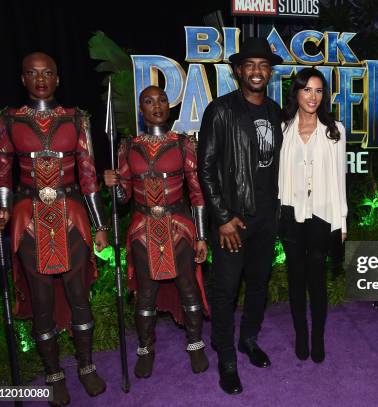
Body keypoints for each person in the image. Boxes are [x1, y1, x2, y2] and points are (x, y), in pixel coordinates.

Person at [0, 52, 108, 406]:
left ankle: (86, 366)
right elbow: (3, 173)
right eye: (32, 73)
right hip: (28, 218)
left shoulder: (76, 119)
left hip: (72, 216)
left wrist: (99, 225)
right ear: (23, 79)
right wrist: (3, 212)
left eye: (48, 73)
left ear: (58, 78)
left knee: (78, 296)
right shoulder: (8, 120)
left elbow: (87, 175)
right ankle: (53, 374)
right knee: (41, 302)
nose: (41, 79)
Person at [103, 86, 209, 378]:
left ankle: (196, 344)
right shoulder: (128, 147)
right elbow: (123, 198)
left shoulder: (183, 145)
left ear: (169, 105)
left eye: (162, 100)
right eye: (149, 102)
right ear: (141, 109)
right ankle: (146, 349)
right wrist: (113, 184)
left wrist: (201, 235)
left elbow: (197, 193)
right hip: (142, 228)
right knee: (146, 293)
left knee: (188, 286)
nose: (157, 106)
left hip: (179, 226)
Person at [197, 37, 283, 395]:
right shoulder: (221, 110)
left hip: (268, 217)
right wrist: (223, 218)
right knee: (226, 290)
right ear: (237, 71)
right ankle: (226, 355)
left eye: (263, 65)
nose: (257, 71)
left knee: (259, 284)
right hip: (234, 219)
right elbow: (205, 169)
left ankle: (248, 339)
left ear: (270, 72)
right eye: (250, 65)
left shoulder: (277, 111)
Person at [278, 68, 347, 363]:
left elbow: (340, 179)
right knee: (295, 277)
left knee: (316, 279)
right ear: (296, 93)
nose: (313, 96)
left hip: (322, 213)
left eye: (318, 91)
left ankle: (317, 336)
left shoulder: (335, 131)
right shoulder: (282, 129)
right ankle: (300, 335)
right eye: (307, 89)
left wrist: (341, 221)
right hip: (290, 213)